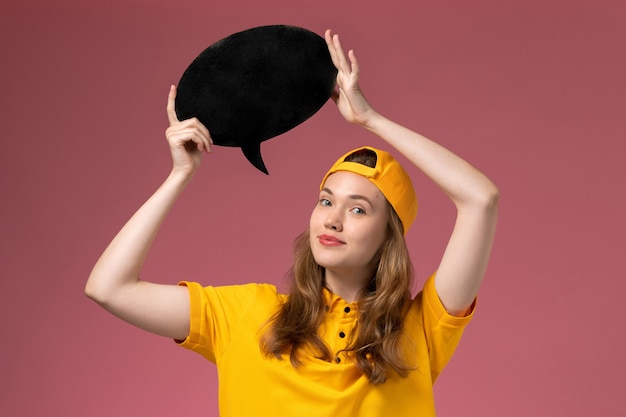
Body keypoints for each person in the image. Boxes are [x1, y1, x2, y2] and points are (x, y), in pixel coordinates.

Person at [86, 30, 499, 416]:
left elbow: (481, 199)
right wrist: (179, 176)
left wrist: (370, 119)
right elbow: (109, 288)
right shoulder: (247, 314)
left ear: (387, 237)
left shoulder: (420, 330)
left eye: (358, 209)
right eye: (326, 201)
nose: (333, 220)